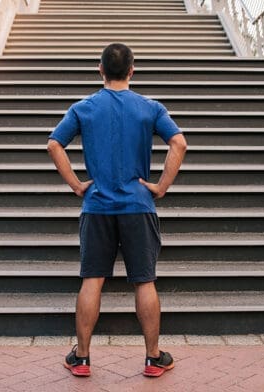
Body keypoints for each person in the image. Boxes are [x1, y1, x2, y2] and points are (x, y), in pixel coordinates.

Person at [47, 43, 187, 378]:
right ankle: (154, 358)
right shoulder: (150, 107)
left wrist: (77, 185)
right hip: (138, 205)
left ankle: (81, 358)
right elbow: (179, 143)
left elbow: (54, 144)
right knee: (144, 280)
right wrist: (161, 186)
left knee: (92, 279)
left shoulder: (84, 107)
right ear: (131, 71)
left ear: (100, 69)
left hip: (97, 206)